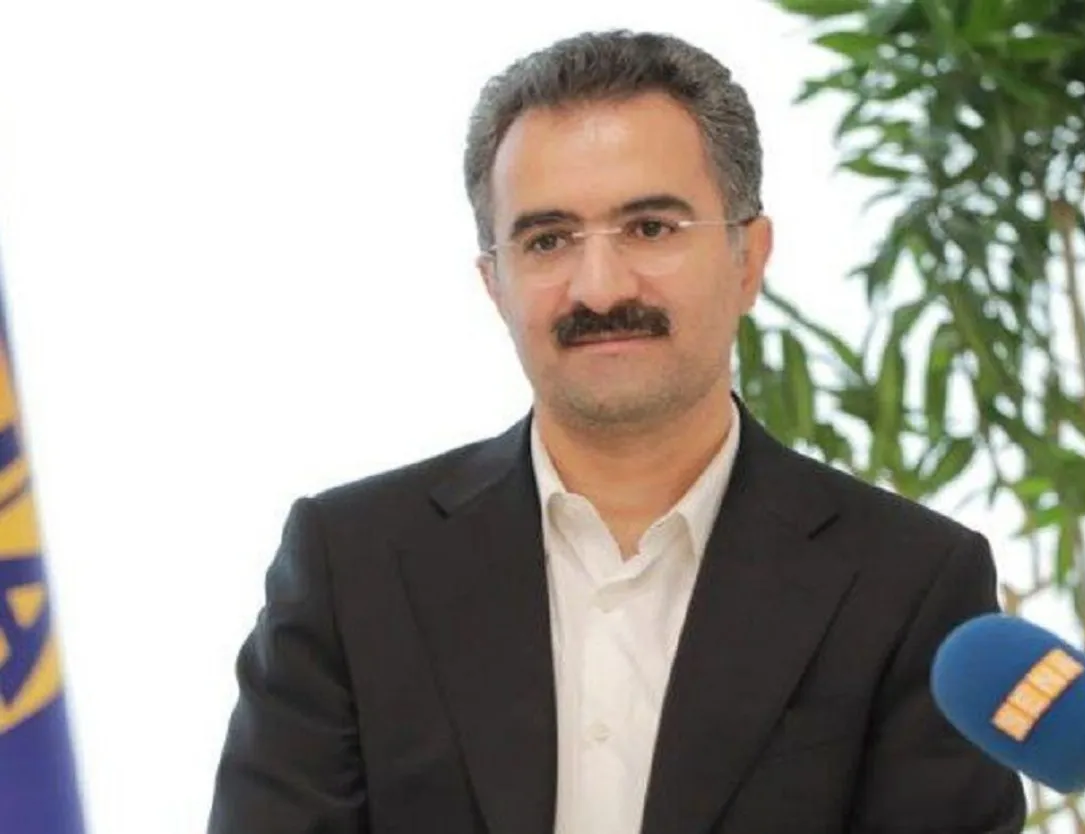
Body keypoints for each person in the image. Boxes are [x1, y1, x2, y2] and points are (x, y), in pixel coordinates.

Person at [207, 29, 1027, 834]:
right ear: (495, 283)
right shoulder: (352, 564)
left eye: (650, 228)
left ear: (748, 259)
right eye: (548, 240)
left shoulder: (909, 583)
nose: (599, 289)